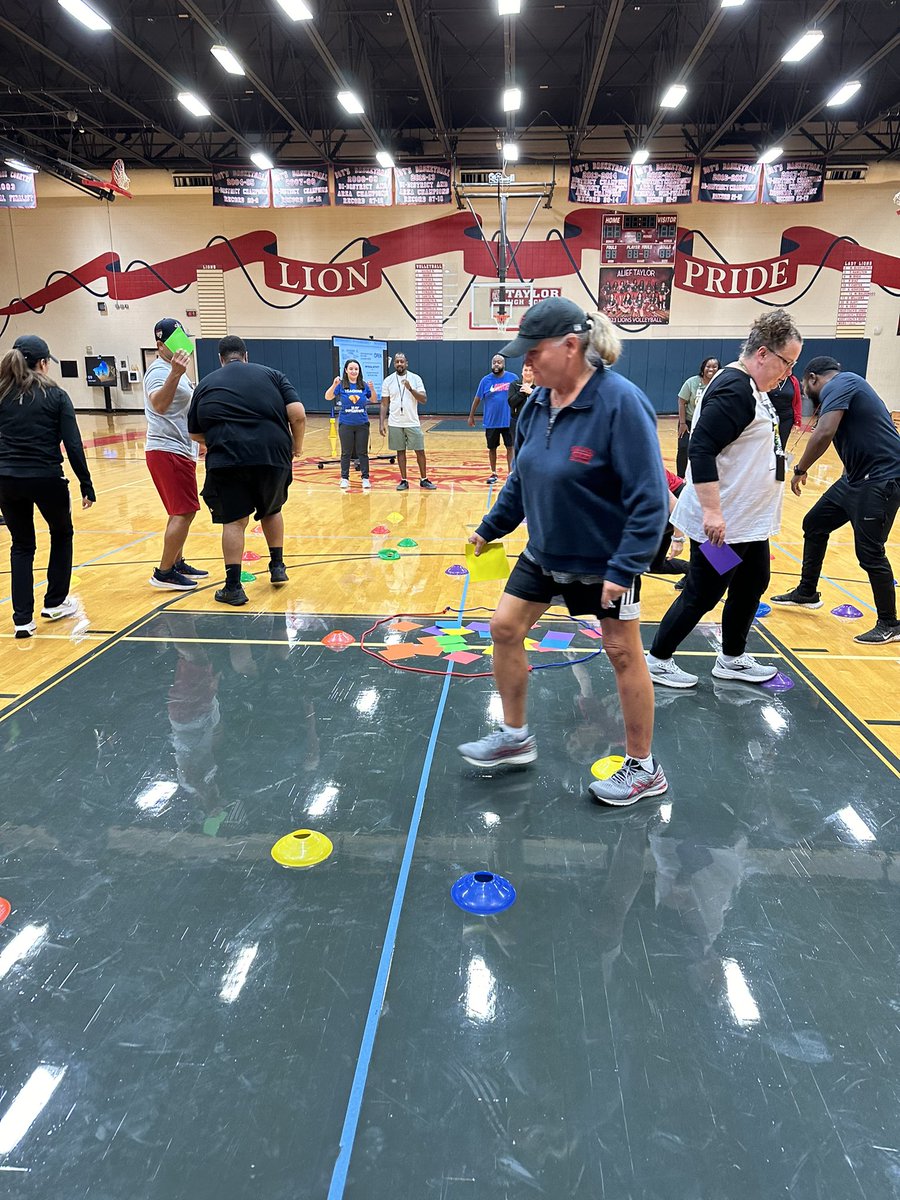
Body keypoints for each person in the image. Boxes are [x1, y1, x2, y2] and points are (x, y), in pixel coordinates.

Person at [456, 296, 670, 807]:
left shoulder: (621, 402)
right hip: (545, 552)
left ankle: (644, 767)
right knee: (504, 628)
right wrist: (491, 527)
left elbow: (651, 498)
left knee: (621, 653)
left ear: (571, 346)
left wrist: (626, 565)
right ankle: (515, 736)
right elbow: (522, 477)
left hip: (605, 560)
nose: (524, 362)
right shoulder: (535, 402)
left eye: (533, 352)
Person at [646, 310, 803, 689]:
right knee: (704, 591)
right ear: (763, 354)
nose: (789, 372)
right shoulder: (734, 387)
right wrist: (713, 513)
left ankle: (732, 658)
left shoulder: (755, 388)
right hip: (722, 526)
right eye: (787, 362)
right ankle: (657, 659)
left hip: (748, 522)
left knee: (753, 583)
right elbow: (700, 449)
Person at [771, 357, 900, 644]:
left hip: (880, 479)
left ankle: (890, 623)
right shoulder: (845, 387)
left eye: (805, 386)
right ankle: (807, 592)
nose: (805, 393)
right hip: (854, 479)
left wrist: (800, 469)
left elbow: (825, 432)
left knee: (870, 552)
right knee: (815, 523)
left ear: (814, 378)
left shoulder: (843, 382)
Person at [187, 335, 306, 606]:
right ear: (246, 355)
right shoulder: (274, 375)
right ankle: (277, 567)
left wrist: (224, 439)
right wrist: (296, 447)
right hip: (272, 454)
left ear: (221, 359)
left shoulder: (206, 383)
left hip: (227, 458)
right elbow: (297, 414)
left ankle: (233, 587)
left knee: (234, 522)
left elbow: (194, 432)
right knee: (272, 510)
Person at [0, 335, 95, 638]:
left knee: (22, 545)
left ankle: (22, 620)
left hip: (7, 479)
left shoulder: (1, 394)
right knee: (61, 533)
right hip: (46, 477)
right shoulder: (56, 395)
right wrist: (86, 483)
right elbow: (73, 444)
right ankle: (54, 602)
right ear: (42, 363)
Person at [143, 317, 208, 591]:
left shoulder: (174, 369)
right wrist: (175, 374)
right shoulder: (159, 371)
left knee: (179, 511)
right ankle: (165, 571)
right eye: (176, 342)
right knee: (185, 511)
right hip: (166, 449)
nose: (184, 347)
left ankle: (177, 561)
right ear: (161, 345)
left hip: (181, 449)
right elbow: (158, 404)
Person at [379, 351, 436, 491]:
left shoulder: (415, 379)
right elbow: (384, 403)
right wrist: (381, 422)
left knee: (420, 451)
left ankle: (424, 479)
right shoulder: (388, 381)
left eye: (402, 361)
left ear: (406, 363)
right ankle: (404, 480)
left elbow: (423, 399)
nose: (399, 364)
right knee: (400, 451)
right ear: (394, 364)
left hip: (412, 422)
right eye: (397, 361)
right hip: (395, 422)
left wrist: (410, 389)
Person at [325, 359, 376, 491]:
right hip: (346, 424)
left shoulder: (363, 385)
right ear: (346, 370)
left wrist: (372, 389)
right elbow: (328, 397)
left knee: (362, 453)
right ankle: (344, 478)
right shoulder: (341, 385)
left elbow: (374, 399)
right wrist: (333, 384)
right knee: (346, 453)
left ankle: (365, 478)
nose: (354, 371)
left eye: (356, 369)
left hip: (362, 424)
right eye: (351, 369)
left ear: (359, 371)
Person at [467, 353, 517, 483]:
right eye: (494, 362)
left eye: (499, 362)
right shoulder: (485, 380)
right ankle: (493, 473)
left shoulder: (513, 378)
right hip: (491, 422)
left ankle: (510, 473)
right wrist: (471, 416)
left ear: (503, 364)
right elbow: (477, 399)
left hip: (508, 421)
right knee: (492, 448)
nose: (496, 364)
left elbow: (520, 397)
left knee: (510, 447)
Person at [676, 356, 720, 478]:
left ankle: (701, 477)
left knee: (704, 451)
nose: (711, 369)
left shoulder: (719, 384)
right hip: (688, 422)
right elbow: (681, 401)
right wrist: (683, 423)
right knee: (684, 448)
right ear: (703, 368)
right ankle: (680, 477)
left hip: (707, 424)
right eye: (708, 366)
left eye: (714, 366)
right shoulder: (692, 382)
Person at [767, 371, 802, 451]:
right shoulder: (769, 378)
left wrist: (797, 421)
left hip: (786, 418)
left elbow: (798, 402)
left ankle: (778, 462)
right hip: (769, 417)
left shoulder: (793, 380)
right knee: (768, 444)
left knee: (781, 445)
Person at [506, 361, 535, 455]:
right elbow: (511, 403)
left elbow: (543, 402)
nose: (528, 372)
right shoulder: (514, 385)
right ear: (522, 372)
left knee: (533, 447)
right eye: (525, 370)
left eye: (530, 370)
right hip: (517, 421)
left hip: (534, 421)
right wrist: (522, 392)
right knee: (518, 448)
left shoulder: (539, 387)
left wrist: (531, 392)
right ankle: (518, 468)